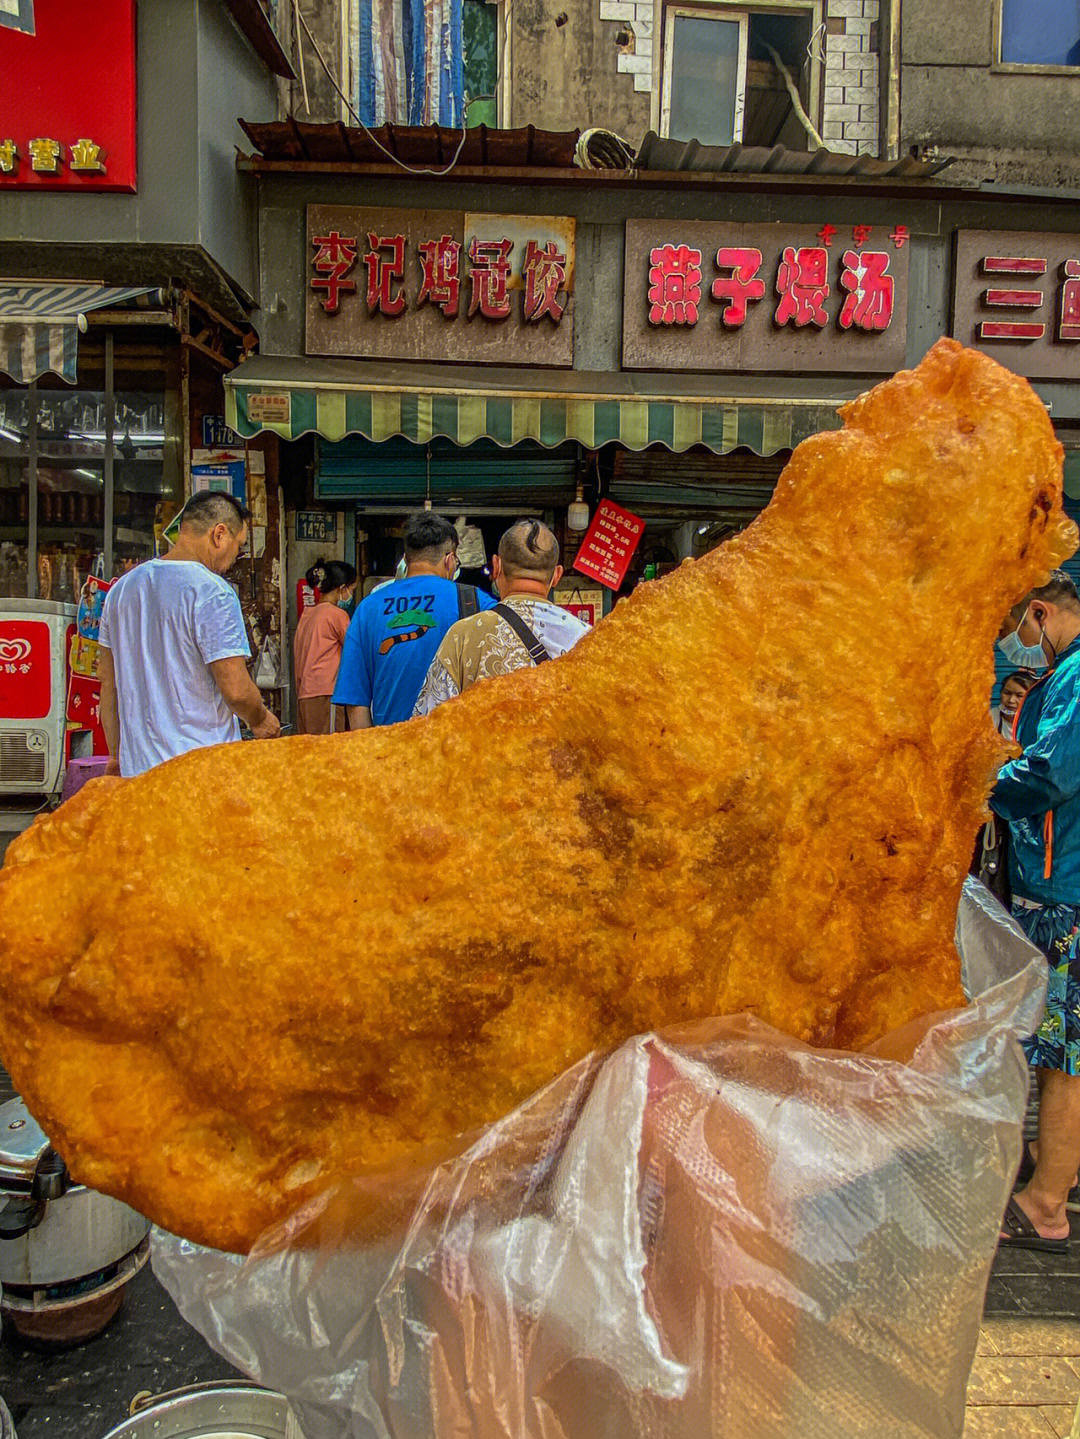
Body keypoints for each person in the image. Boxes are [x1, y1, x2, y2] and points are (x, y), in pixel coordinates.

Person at [991, 571, 1080, 1252]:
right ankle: (1035, 1173)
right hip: (1052, 886)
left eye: (1021, 625)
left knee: (1065, 1058)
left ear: (1042, 613)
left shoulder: (1077, 678)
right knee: (1050, 1048)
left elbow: (1049, 773)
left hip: (1067, 894)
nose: (1021, 642)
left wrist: (979, 778)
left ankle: (1047, 1202)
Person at [98, 491, 280, 777]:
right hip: (202, 772)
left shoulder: (121, 590)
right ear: (219, 534)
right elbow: (236, 691)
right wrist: (261, 719)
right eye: (239, 546)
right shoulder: (212, 591)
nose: (235, 557)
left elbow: (108, 685)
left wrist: (116, 755)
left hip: (139, 773)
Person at [332, 513, 495, 727]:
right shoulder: (475, 602)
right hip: (454, 750)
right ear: (449, 560)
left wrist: (372, 756)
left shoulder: (368, 608)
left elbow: (356, 702)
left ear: (406, 559)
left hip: (391, 749)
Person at [413, 519, 589, 716]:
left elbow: (429, 724)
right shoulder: (586, 639)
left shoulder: (463, 635)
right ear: (556, 575)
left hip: (482, 747)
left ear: (496, 566)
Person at [293, 558, 358, 734]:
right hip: (326, 692)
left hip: (304, 694)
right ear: (341, 588)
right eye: (352, 590)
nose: (351, 595)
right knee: (329, 751)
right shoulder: (337, 614)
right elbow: (355, 650)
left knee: (310, 752)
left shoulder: (307, 615)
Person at [992, 669, 1039, 737]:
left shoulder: (1039, 722)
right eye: (1007, 693)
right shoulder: (989, 718)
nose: (1011, 700)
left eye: (1019, 696)